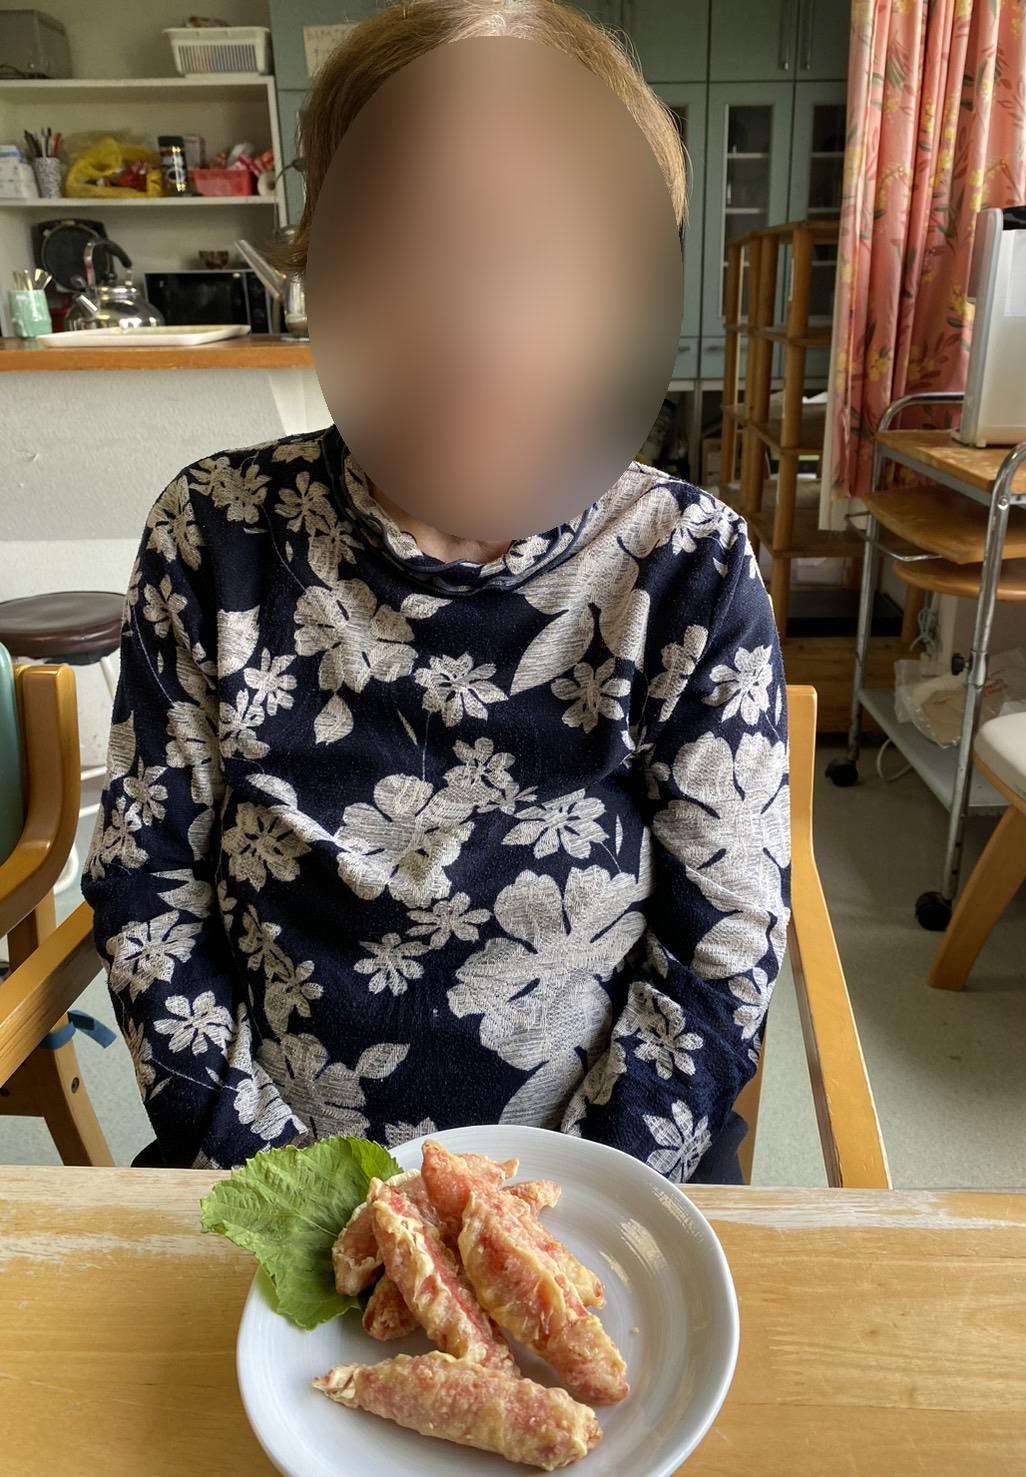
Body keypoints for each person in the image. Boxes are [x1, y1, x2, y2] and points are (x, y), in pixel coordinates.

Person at [82, 0, 790, 1182]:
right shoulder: (214, 533)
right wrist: (305, 1203)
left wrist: (551, 1218)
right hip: (275, 1175)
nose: (480, 316)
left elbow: (723, 946)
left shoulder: (686, 562)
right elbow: (147, 892)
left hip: (597, 1185)